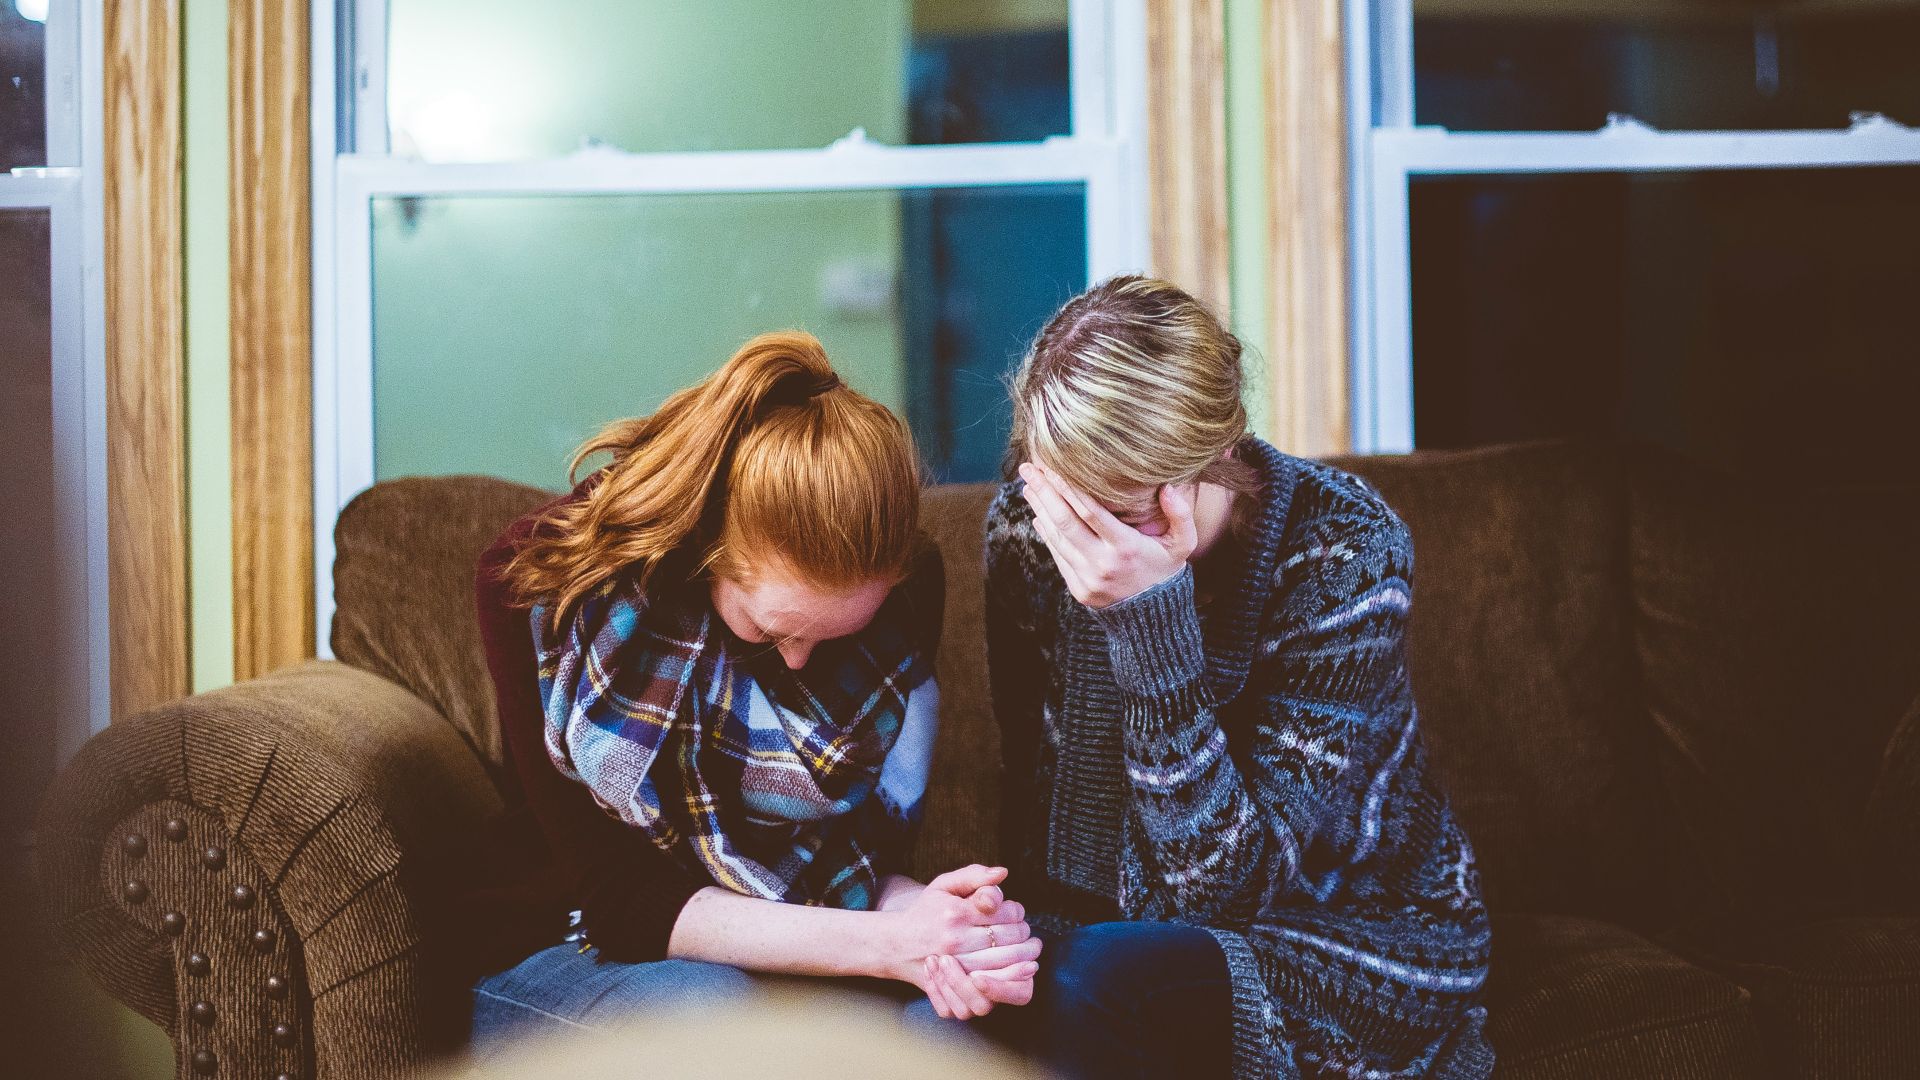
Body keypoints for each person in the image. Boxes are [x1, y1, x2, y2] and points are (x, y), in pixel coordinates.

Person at [468, 332, 1040, 1053]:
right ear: (706, 550)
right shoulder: (541, 586)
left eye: (831, 639)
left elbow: (853, 865)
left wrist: (945, 924)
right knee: (713, 1013)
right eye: (771, 632)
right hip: (569, 944)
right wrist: (888, 945)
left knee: (955, 1026)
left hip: (795, 941)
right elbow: (621, 904)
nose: (800, 665)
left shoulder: (906, 590)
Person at [983, 277, 1493, 1078]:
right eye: (1077, 506)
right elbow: (1036, 793)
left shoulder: (1346, 551)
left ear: (1218, 454)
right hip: (1114, 928)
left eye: (1129, 510)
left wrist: (1150, 628)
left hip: (1348, 931)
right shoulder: (1030, 529)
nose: (1097, 543)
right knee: (957, 1006)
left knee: (1096, 980)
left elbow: (1224, 894)